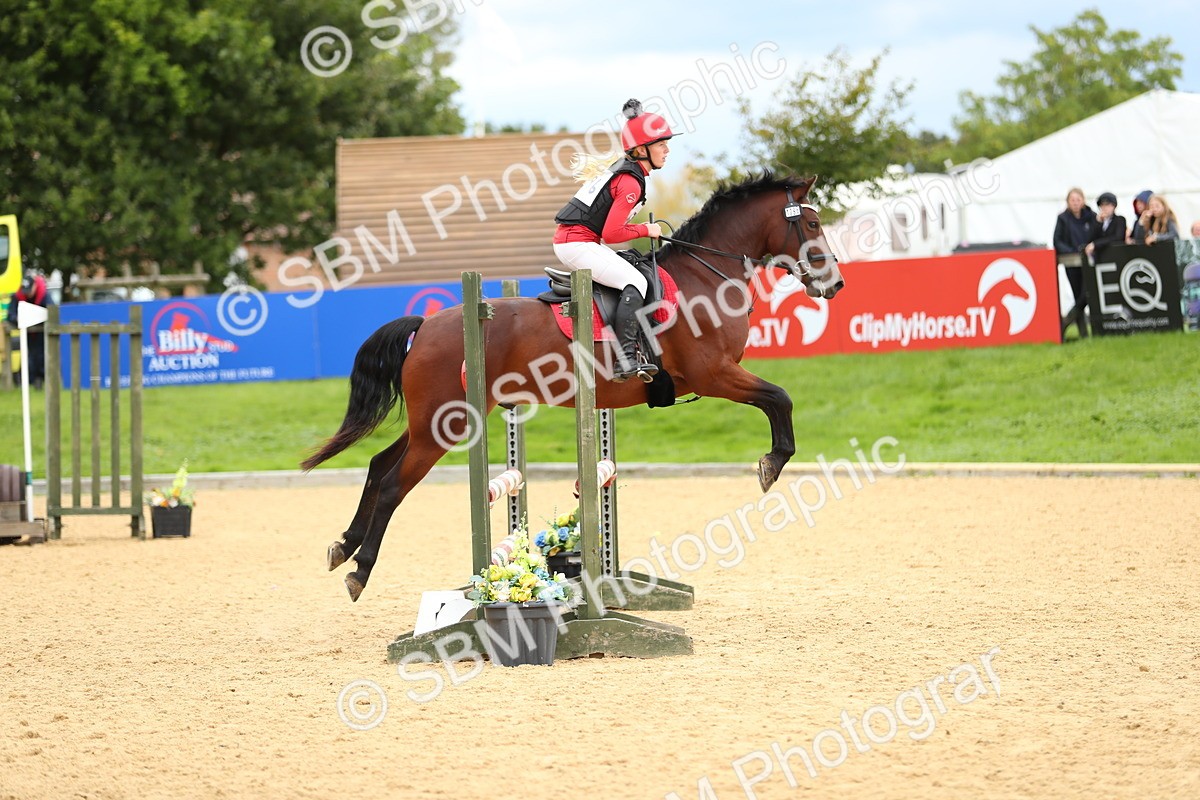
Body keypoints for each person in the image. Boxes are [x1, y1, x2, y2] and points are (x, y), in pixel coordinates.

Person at [553, 98, 676, 383]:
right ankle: (626, 358)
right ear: (642, 149)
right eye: (661, 144)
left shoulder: (627, 172)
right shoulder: (630, 181)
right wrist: (647, 230)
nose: (667, 150)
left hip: (581, 241)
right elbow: (612, 234)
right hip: (577, 243)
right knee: (637, 282)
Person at [1052, 187, 1096, 339]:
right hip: (1071, 262)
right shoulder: (1063, 218)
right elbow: (1057, 241)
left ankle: (1065, 322)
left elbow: (1097, 235)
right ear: (1067, 202)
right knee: (1078, 296)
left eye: (1078, 200)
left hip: (1089, 261)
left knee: (1086, 295)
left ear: (1083, 200)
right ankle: (1083, 334)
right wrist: (1072, 251)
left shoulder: (1092, 216)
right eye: (1073, 200)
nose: (1076, 203)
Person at [5, 271, 52, 388]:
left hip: (41, 333)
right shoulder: (18, 296)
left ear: (35, 286)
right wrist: (18, 319)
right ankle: (27, 380)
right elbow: (11, 314)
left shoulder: (44, 295)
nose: (28, 294)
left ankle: (40, 378)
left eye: (30, 290)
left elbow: (52, 312)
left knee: (41, 355)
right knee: (28, 355)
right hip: (26, 332)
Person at [1085, 192, 1127, 260]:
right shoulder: (1095, 221)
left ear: (1114, 206)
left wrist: (1096, 244)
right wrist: (1098, 222)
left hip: (1116, 256)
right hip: (1101, 258)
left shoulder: (1120, 220)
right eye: (1102, 205)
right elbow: (1090, 238)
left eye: (1108, 205)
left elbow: (1117, 237)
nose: (1105, 208)